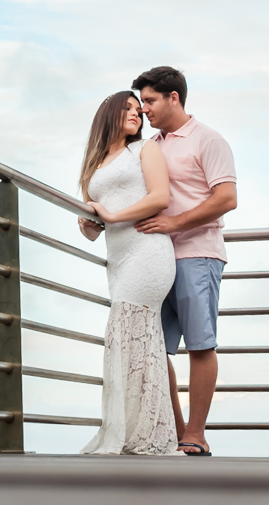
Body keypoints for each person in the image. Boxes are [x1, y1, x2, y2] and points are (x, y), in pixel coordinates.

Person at [134, 66, 237, 457]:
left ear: (173, 97)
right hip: (154, 261)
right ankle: (178, 433)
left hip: (197, 254)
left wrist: (175, 223)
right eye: (142, 102)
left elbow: (226, 198)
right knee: (152, 348)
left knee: (200, 344)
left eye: (150, 101)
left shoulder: (208, 140)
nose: (145, 110)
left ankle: (196, 435)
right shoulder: (150, 146)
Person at [76, 91, 179, 455]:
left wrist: (113, 216)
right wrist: (89, 223)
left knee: (131, 330)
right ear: (110, 114)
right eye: (130, 109)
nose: (137, 115)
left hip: (148, 252)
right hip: (118, 259)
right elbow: (93, 227)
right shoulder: (95, 163)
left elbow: (160, 197)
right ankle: (132, 430)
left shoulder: (144, 150)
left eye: (140, 110)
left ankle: (149, 434)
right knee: (130, 340)